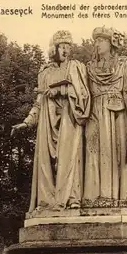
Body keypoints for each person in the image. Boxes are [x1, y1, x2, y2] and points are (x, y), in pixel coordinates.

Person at [11, 30, 90, 212]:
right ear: (54, 49)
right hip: (48, 122)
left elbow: (83, 94)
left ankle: (72, 198)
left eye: (68, 47)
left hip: (70, 119)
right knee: (46, 163)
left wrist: (60, 91)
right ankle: (47, 202)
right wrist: (27, 121)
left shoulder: (76, 67)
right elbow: (39, 102)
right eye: (62, 46)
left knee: (70, 159)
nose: (65, 50)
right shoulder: (45, 72)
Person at [83, 27, 127, 207]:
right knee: (93, 151)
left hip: (116, 114)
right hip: (94, 113)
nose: (97, 44)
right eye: (96, 41)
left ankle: (117, 196)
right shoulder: (89, 68)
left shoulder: (124, 64)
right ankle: (93, 197)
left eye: (101, 40)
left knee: (117, 154)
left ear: (111, 43)